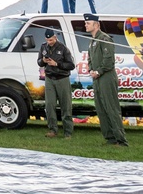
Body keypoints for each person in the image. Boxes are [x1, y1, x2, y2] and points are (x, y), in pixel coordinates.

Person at [84, 14, 128, 146]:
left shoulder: (105, 38)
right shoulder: (92, 41)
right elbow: (90, 58)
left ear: (96, 25)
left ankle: (121, 139)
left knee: (111, 107)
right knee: (101, 108)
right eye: (86, 23)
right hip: (97, 78)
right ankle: (110, 138)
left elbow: (109, 60)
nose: (85, 25)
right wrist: (91, 69)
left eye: (88, 23)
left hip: (106, 77)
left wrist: (99, 71)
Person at [38, 26, 76, 140]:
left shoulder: (63, 48)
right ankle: (52, 129)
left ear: (55, 37)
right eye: (47, 40)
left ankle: (68, 132)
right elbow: (39, 62)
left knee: (66, 106)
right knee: (49, 105)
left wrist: (57, 64)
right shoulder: (43, 47)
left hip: (62, 78)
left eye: (51, 40)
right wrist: (43, 61)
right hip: (49, 78)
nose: (49, 42)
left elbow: (71, 65)